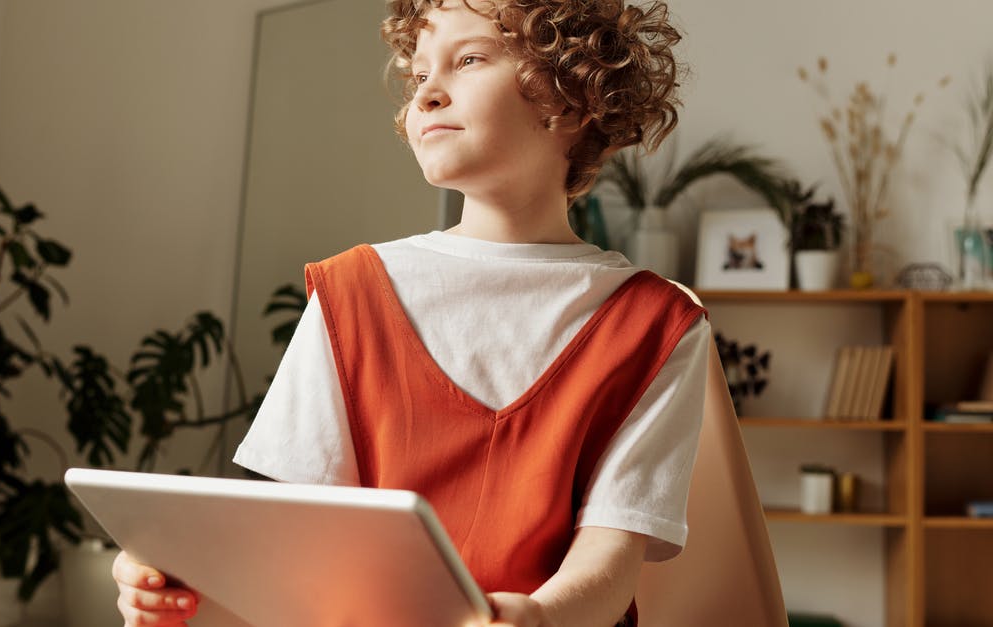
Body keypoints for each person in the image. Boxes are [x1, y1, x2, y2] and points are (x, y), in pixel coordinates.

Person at [112, 1, 706, 625]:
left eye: (468, 59)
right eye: (420, 75)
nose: (426, 96)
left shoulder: (658, 325)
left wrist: (535, 619)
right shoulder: (350, 294)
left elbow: (608, 563)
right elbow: (294, 549)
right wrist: (176, 586)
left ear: (572, 97)